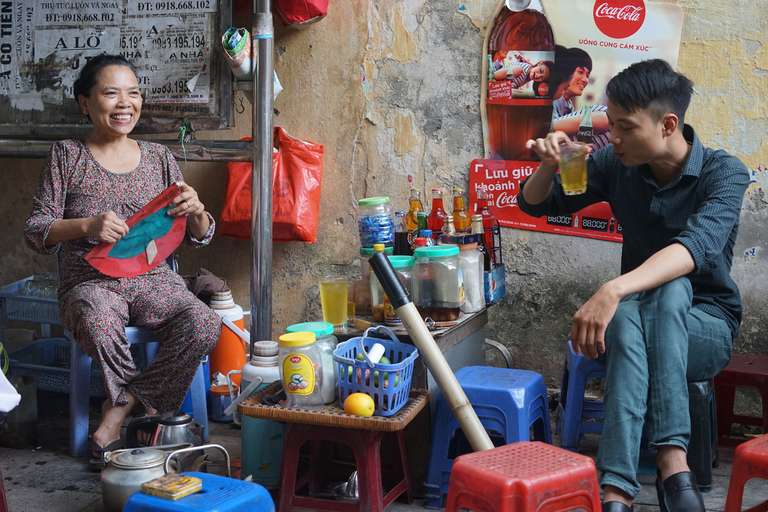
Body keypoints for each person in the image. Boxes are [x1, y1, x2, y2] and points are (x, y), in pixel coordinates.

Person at [519, 59, 749, 512]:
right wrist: (552, 163)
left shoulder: (725, 174)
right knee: (634, 315)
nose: (613, 137)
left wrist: (613, 289)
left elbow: (692, 249)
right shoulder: (613, 164)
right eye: (611, 123)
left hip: (706, 326)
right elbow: (536, 205)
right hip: (633, 322)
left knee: (672, 289)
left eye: (624, 127)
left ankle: (617, 489)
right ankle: (668, 470)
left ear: (668, 124)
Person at [24, 54, 221, 467]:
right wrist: (85, 226)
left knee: (204, 321)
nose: (124, 103)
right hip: (89, 281)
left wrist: (197, 209)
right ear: (85, 102)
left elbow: (200, 235)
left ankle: (117, 415)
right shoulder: (67, 155)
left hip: (151, 278)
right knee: (97, 319)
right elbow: (36, 230)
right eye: (110, 93)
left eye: (132, 93)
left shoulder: (158, 157)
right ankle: (148, 417)